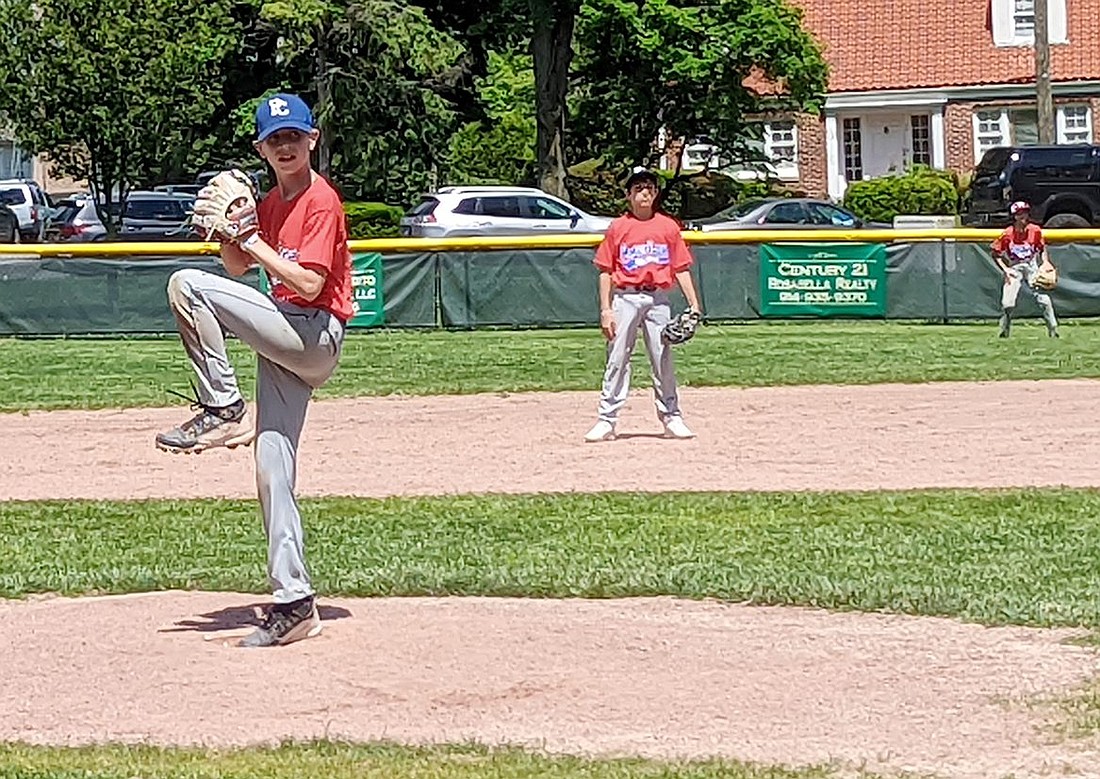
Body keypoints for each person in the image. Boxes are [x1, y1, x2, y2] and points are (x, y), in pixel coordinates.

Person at [155, 93, 353, 647]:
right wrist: (229, 232)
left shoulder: (320, 199)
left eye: (294, 136)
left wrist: (251, 240)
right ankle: (295, 603)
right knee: (271, 472)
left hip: (312, 332)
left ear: (312, 140)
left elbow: (311, 285)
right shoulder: (270, 202)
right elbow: (238, 265)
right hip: (284, 342)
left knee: (187, 285)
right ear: (262, 149)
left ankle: (222, 404)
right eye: (274, 139)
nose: (285, 145)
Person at [584, 167, 702, 443]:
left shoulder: (668, 226)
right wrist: (605, 309)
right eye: (638, 188)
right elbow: (605, 270)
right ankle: (607, 420)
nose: (644, 192)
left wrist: (694, 304)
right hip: (625, 296)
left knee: (662, 358)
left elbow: (681, 267)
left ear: (656, 193)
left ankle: (671, 417)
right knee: (617, 358)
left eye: (649, 187)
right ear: (628, 195)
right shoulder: (618, 227)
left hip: (658, 298)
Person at [991, 200, 1058, 338]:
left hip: (1031, 264)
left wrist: (1045, 262)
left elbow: (1041, 248)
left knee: (1043, 299)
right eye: (1020, 214)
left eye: (1025, 213)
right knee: (1007, 304)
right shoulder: (1008, 234)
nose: (1024, 216)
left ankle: (1053, 329)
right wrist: (1006, 269)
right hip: (1014, 266)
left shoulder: (1035, 230)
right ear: (1014, 216)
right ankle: (1004, 330)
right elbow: (995, 254)